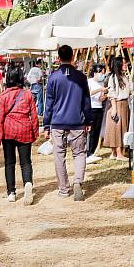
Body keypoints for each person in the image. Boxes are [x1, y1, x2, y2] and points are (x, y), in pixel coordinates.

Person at [44, 45, 92, 201]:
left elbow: (49, 102)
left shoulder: (53, 77)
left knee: (59, 155)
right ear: (73, 57)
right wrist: (89, 119)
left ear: (58, 58)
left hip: (57, 122)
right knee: (79, 153)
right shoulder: (81, 77)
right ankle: (78, 181)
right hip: (77, 121)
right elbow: (86, 101)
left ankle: (64, 189)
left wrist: (46, 124)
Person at [0, 66, 38, 205]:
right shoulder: (28, 94)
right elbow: (34, 116)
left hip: (9, 130)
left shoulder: (3, 96)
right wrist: (35, 133)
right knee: (26, 162)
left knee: (9, 163)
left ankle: (11, 192)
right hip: (25, 128)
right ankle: (27, 183)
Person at [103, 56, 130, 161]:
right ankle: (118, 153)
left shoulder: (123, 77)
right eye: (123, 63)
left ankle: (114, 153)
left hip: (123, 104)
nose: (125, 65)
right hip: (118, 104)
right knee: (117, 128)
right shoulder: (113, 78)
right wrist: (114, 108)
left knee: (118, 128)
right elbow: (112, 94)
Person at [86, 65, 108, 163]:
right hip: (91, 108)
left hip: (99, 107)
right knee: (92, 131)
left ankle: (93, 152)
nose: (102, 75)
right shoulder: (89, 82)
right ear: (95, 72)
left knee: (97, 131)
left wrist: (104, 96)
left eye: (103, 73)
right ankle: (88, 152)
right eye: (101, 73)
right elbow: (88, 93)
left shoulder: (101, 83)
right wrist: (100, 90)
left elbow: (100, 98)